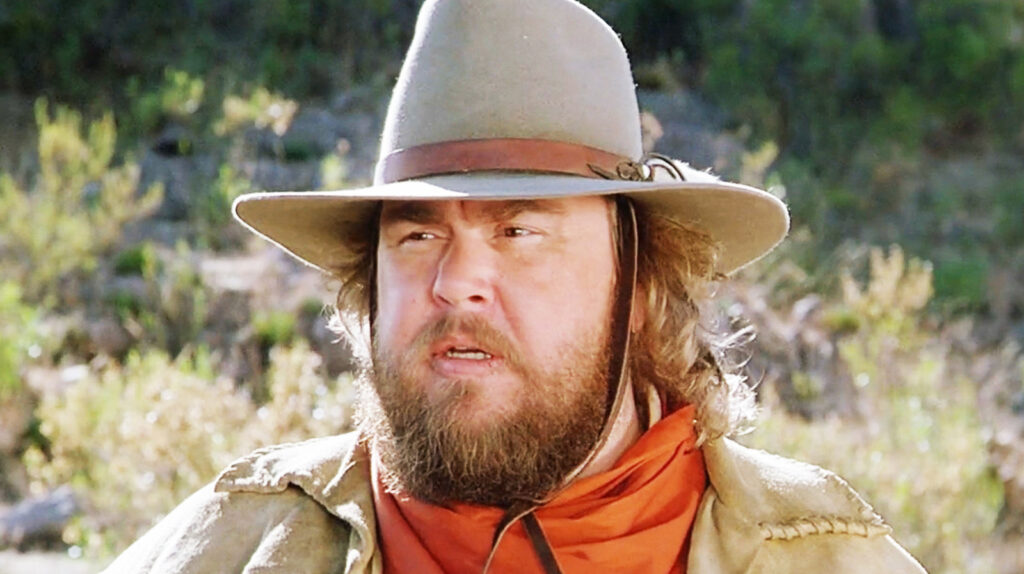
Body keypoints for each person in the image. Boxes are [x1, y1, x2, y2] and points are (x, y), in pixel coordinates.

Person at [103, 0, 927, 572]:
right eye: (419, 236)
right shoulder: (236, 548)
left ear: (640, 290)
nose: (457, 283)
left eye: (519, 232)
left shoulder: (823, 557)